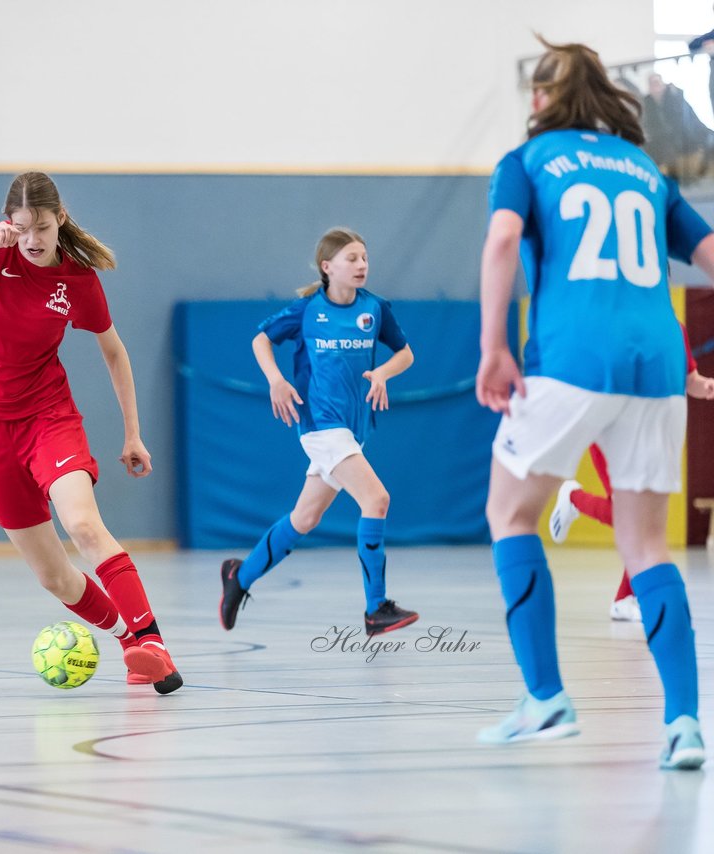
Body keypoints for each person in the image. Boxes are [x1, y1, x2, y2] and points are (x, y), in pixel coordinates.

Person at [475, 38, 714, 769]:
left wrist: (493, 346)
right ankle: (684, 725)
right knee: (646, 546)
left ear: (542, 98)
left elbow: (503, 241)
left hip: (571, 357)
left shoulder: (526, 162)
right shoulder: (645, 169)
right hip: (657, 369)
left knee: (510, 514)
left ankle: (545, 698)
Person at [0, 172, 182, 694]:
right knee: (54, 577)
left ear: (60, 221)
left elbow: (114, 352)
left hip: (47, 416)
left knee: (83, 524)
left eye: (42, 228)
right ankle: (128, 640)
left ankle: (154, 642)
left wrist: (133, 434)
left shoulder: (77, 280)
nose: (31, 239)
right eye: (21, 228)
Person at [217, 228, 419, 637]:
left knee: (305, 518)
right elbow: (261, 339)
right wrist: (276, 380)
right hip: (320, 426)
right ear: (328, 267)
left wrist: (382, 372)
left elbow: (405, 353)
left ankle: (240, 576)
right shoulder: (307, 310)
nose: (361, 264)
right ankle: (375, 607)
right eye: (352, 258)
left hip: (352, 428)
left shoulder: (375, 310)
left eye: (364, 257)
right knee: (376, 499)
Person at [549, 327, 714, 623]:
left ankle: (625, 596)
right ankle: (574, 499)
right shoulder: (612, 320)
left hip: (652, 429)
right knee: (633, 518)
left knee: (645, 520)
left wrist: (704, 386)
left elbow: (691, 380)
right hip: (608, 425)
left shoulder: (674, 329)